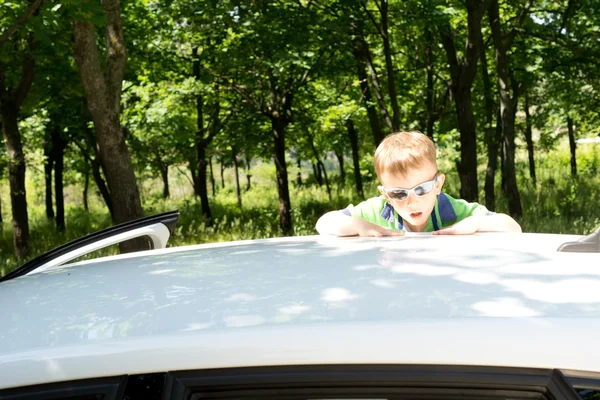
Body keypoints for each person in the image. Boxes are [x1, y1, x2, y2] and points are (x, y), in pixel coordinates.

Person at [315, 131, 521, 236]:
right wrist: (360, 225)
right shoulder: (377, 210)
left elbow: (512, 227)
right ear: (386, 195)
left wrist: (475, 223)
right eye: (399, 194)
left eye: (422, 189)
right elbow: (323, 223)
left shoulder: (450, 209)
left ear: (438, 185)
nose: (412, 202)